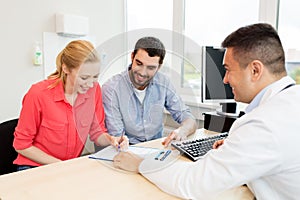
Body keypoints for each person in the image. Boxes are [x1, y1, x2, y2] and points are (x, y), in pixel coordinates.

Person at [112, 23, 300, 199]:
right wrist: (236, 149)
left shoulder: (263, 125)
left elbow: (192, 184)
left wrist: (141, 165)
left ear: (255, 70)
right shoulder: (289, 101)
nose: (225, 80)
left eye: (227, 70)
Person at [13, 40, 128, 171]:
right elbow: (21, 145)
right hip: (34, 167)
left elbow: (97, 133)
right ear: (66, 68)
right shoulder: (38, 94)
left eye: (95, 77)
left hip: (68, 167)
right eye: (84, 78)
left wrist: (113, 140)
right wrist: (62, 166)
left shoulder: (94, 91)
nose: (90, 84)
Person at [102, 36, 197, 145]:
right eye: (139, 63)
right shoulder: (111, 89)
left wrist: (182, 131)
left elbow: (187, 117)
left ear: (159, 67)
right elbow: (118, 138)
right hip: (126, 149)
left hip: (155, 148)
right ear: (132, 57)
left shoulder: (163, 82)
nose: (142, 73)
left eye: (151, 68)